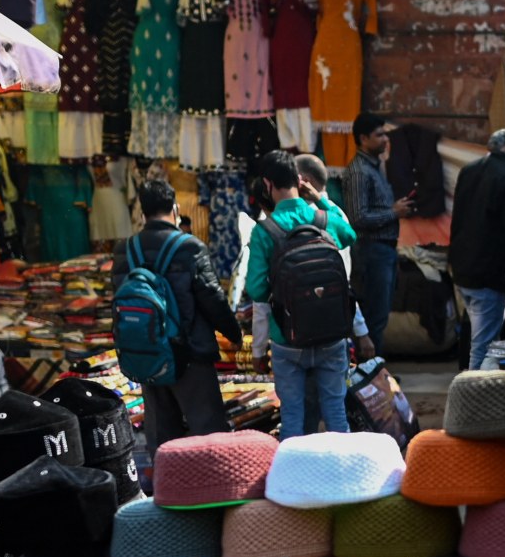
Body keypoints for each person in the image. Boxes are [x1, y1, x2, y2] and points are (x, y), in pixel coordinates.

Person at [112, 180, 242, 449]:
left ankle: (166, 488)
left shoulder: (125, 249)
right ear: (175, 208)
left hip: (147, 354)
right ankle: (214, 490)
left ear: (142, 212)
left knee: (162, 440)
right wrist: (234, 333)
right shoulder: (189, 247)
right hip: (189, 354)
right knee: (209, 436)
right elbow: (212, 298)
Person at [246, 150, 358, 439]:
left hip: (287, 339)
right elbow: (350, 236)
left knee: (292, 417)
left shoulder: (264, 231)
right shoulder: (322, 218)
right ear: (299, 180)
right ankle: (344, 480)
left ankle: (293, 481)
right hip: (332, 335)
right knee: (335, 411)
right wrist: (320, 197)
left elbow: (257, 290)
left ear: (268, 185)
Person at [295, 153, 375, 433]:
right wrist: (361, 331)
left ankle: (296, 471)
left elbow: (342, 282)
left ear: (303, 182)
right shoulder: (333, 215)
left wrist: (361, 331)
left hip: (298, 331)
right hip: (333, 328)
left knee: (302, 413)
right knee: (333, 406)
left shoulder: (303, 217)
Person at [450, 129, 505, 370]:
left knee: (475, 335)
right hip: (488, 273)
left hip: (463, 268)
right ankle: (473, 398)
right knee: (483, 345)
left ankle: (469, 387)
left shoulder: (470, 170)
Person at [343, 113, 414, 353]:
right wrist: (393, 213)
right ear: (363, 138)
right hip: (370, 252)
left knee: (380, 314)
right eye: (379, 135)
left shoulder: (374, 167)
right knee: (374, 315)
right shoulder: (358, 172)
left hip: (383, 251)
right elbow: (357, 218)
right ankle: (371, 377)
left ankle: (376, 374)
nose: (385, 139)